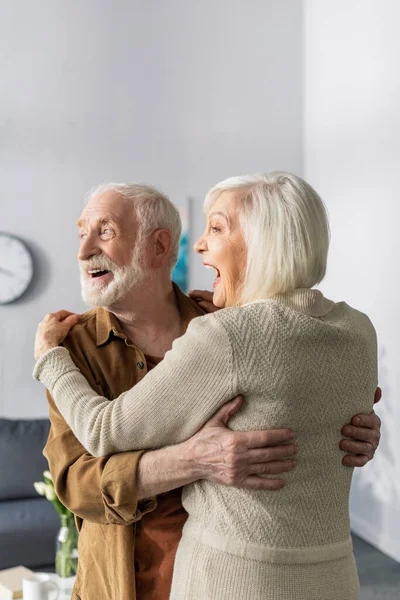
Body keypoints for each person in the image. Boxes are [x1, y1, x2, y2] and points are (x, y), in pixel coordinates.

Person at [34, 173, 380, 600]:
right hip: (125, 582)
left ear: (160, 247)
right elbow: (75, 483)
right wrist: (191, 461)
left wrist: (347, 430)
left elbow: (305, 404)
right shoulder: (72, 346)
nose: (84, 250)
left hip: (225, 577)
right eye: (83, 234)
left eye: (104, 232)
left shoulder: (219, 325)